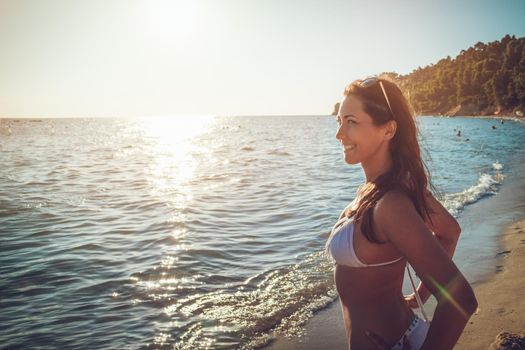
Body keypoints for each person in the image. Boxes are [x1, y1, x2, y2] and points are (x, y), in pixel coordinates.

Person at [325, 76, 478, 349]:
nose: (340, 134)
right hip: (404, 334)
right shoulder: (385, 188)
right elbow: (450, 231)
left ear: (388, 130)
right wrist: (421, 294)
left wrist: (425, 293)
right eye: (339, 121)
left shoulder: (390, 205)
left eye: (351, 122)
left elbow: (462, 300)